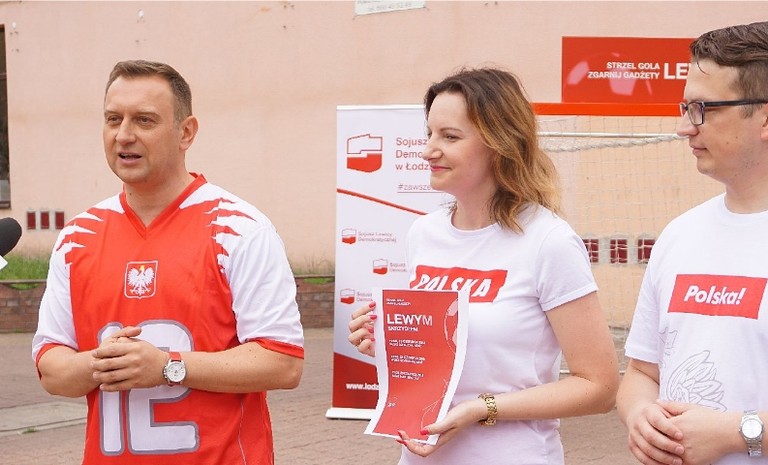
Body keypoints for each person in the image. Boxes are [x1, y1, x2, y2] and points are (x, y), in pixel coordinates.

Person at [31, 60, 304, 465]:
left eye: (144, 120)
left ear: (186, 132)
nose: (124, 135)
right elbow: (52, 370)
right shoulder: (77, 236)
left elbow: (283, 363)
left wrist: (167, 367)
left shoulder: (239, 228)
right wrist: (101, 364)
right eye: (113, 119)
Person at [348, 67, 619, 465]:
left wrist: (482, 408)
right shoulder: (424, 233)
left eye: (450, 136)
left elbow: (599, 387)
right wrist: (388, 343)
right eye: (429, 134)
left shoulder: (548, 241)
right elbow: (444, 359)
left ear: (499, 144)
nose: (428, 150)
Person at [616, 21, 768, 465]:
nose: (684, 127)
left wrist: (740, 433)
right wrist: (640, 415)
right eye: (685, 108)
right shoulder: (679, 234)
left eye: (702, 108)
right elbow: (642, 373)